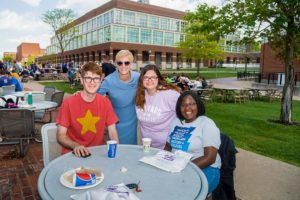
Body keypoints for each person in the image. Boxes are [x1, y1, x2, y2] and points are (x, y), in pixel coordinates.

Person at [56, 62, 119, 157]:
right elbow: (60, 135)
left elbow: (112, 132)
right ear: (81, 80)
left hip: (97, 154)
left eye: (96, 78)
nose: (92, 82)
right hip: (73, 154)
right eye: (88, 78)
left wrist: (115, 150)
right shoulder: (68, 103)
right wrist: (75, 146)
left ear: (100, 81)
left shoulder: (105, 102)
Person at [164, 91, 221, 193]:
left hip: (206, 169)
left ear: (198, 105)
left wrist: (182, 167)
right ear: (179, 107)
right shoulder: (175, 122)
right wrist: (162, 161)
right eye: (183, 105)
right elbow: (167, 147)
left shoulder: (207, 124)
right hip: (177, 167)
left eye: (191, 104)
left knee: (182, 192)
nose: (187, 108)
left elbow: (210, 158)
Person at [98, 50, 139, 144]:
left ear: (131, 64)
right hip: (116, 125)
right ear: (116, 64)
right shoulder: (109, 81)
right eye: (120, 63)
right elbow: (95, 96)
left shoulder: (138, 77)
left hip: (134, 124)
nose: (123, 66)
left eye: (127, 62)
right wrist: (82, 93)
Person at [135, 64, 180, 149]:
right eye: (146, 77)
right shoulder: (140, 95)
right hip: (146, 145)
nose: (149, 80)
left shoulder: (169, 95)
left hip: (167, 147)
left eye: (153, 77)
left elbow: (184, 114)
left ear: (158, 79)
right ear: (142, 80)